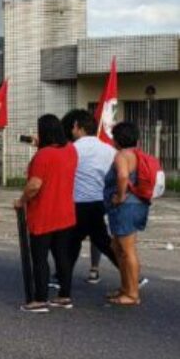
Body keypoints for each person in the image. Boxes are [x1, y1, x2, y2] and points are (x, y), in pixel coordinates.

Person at [14, 114, 78, 312]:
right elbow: (55, 159)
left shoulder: (42, 156)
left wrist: (21, 200)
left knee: (40, 258)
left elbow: (34, 185)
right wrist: (41, 146)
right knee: (62, 257)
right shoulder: (71, 150)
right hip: (66, 213)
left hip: (44, 214)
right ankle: (64, 296)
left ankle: (39, 299)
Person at [60, 109, 118, 286]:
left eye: (71, 128)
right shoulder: (109, 150)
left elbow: (63, 175)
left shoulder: (72, 149)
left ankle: (63, 280)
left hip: (79, 203)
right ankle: (131, 272)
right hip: (101, 203)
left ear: (77, 126)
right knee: (102, 241)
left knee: (72, 242)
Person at [104, 122, 149, 306]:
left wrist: (120, 196)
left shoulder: (122, 155)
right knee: (118, 247)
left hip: (125, 208)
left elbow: (122, 176)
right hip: (135, 205)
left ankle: (132, 293)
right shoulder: (136, 154)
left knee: (127, 249)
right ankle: (126, 287)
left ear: (117, 139)